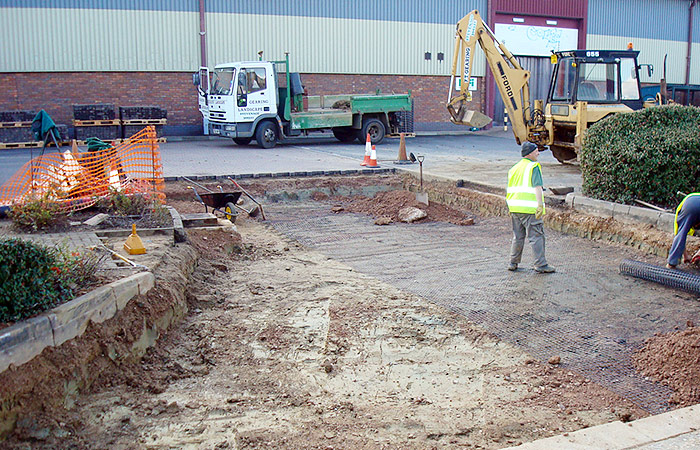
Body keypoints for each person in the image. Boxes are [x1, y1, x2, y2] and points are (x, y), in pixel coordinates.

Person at [506, 142, 555, 273]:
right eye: (536, 151)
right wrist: (540, 205)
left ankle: (513, 262)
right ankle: (540, 264)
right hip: (529, 209)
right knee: (536, 236)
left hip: (515, 207)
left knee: (518, 236)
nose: (538, 153)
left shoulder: (514, 168)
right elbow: (537, 187)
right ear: (530, 153)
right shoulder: (534, 167)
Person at [666, 193, 700, 269]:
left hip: (689, 203)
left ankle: (672, 263)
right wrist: (686, 255)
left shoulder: (682, 211)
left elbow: (679, 235)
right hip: (690, 204)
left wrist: (686, 255)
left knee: (681, 233)